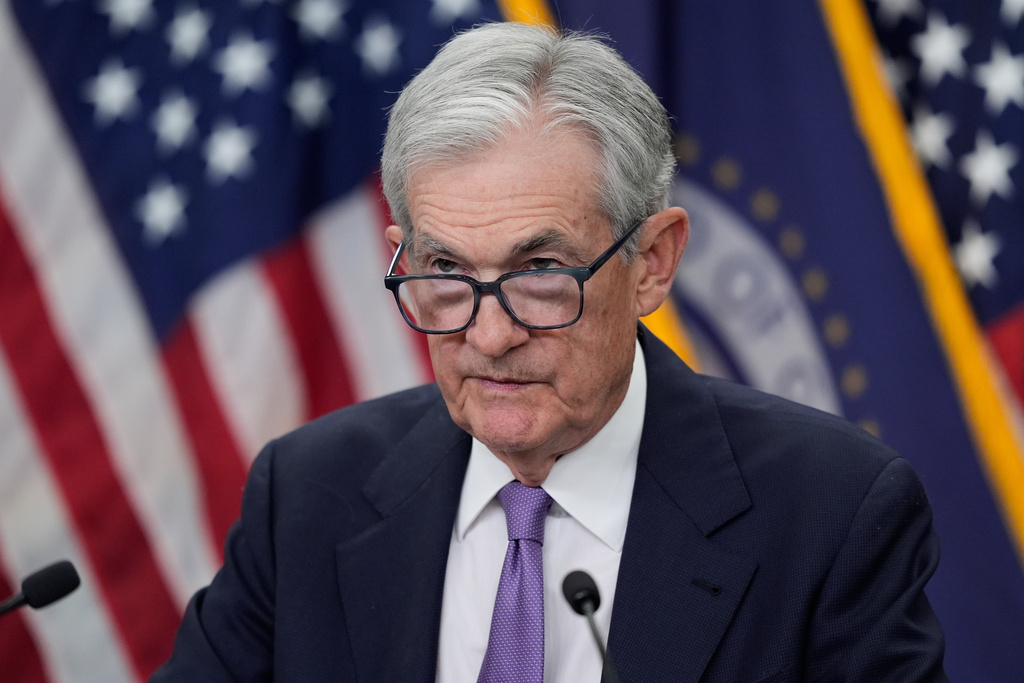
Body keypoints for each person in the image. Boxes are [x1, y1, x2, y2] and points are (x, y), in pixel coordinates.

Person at [151, 21, 947, 682]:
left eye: (539, 272)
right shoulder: (308, 496)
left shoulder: (833, 514)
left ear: (653, 263)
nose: (490, 336)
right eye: (447, 271)